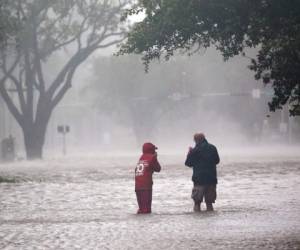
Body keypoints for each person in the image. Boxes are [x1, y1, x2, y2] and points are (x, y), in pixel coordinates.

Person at [185, 133, 220, 212]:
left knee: (197, 203)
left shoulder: (195, 150)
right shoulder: (213, 148)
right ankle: (210, 220)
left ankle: (198, 221)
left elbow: (188, 163)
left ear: (196, 140)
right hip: (211, 179)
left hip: (199, 180)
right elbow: (217, 161)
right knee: (209, 203)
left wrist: (189, 153)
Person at [135, 142, 161, 214]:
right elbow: (158, 168)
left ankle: (139, 224)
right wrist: (155, 157)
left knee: (141, 209)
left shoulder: (141, 158)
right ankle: (146, 225)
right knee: (147, 210)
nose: (155, 151)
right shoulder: (152, 157)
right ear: (151, 150)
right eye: (154, 150)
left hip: (137, 187)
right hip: (146, 187)